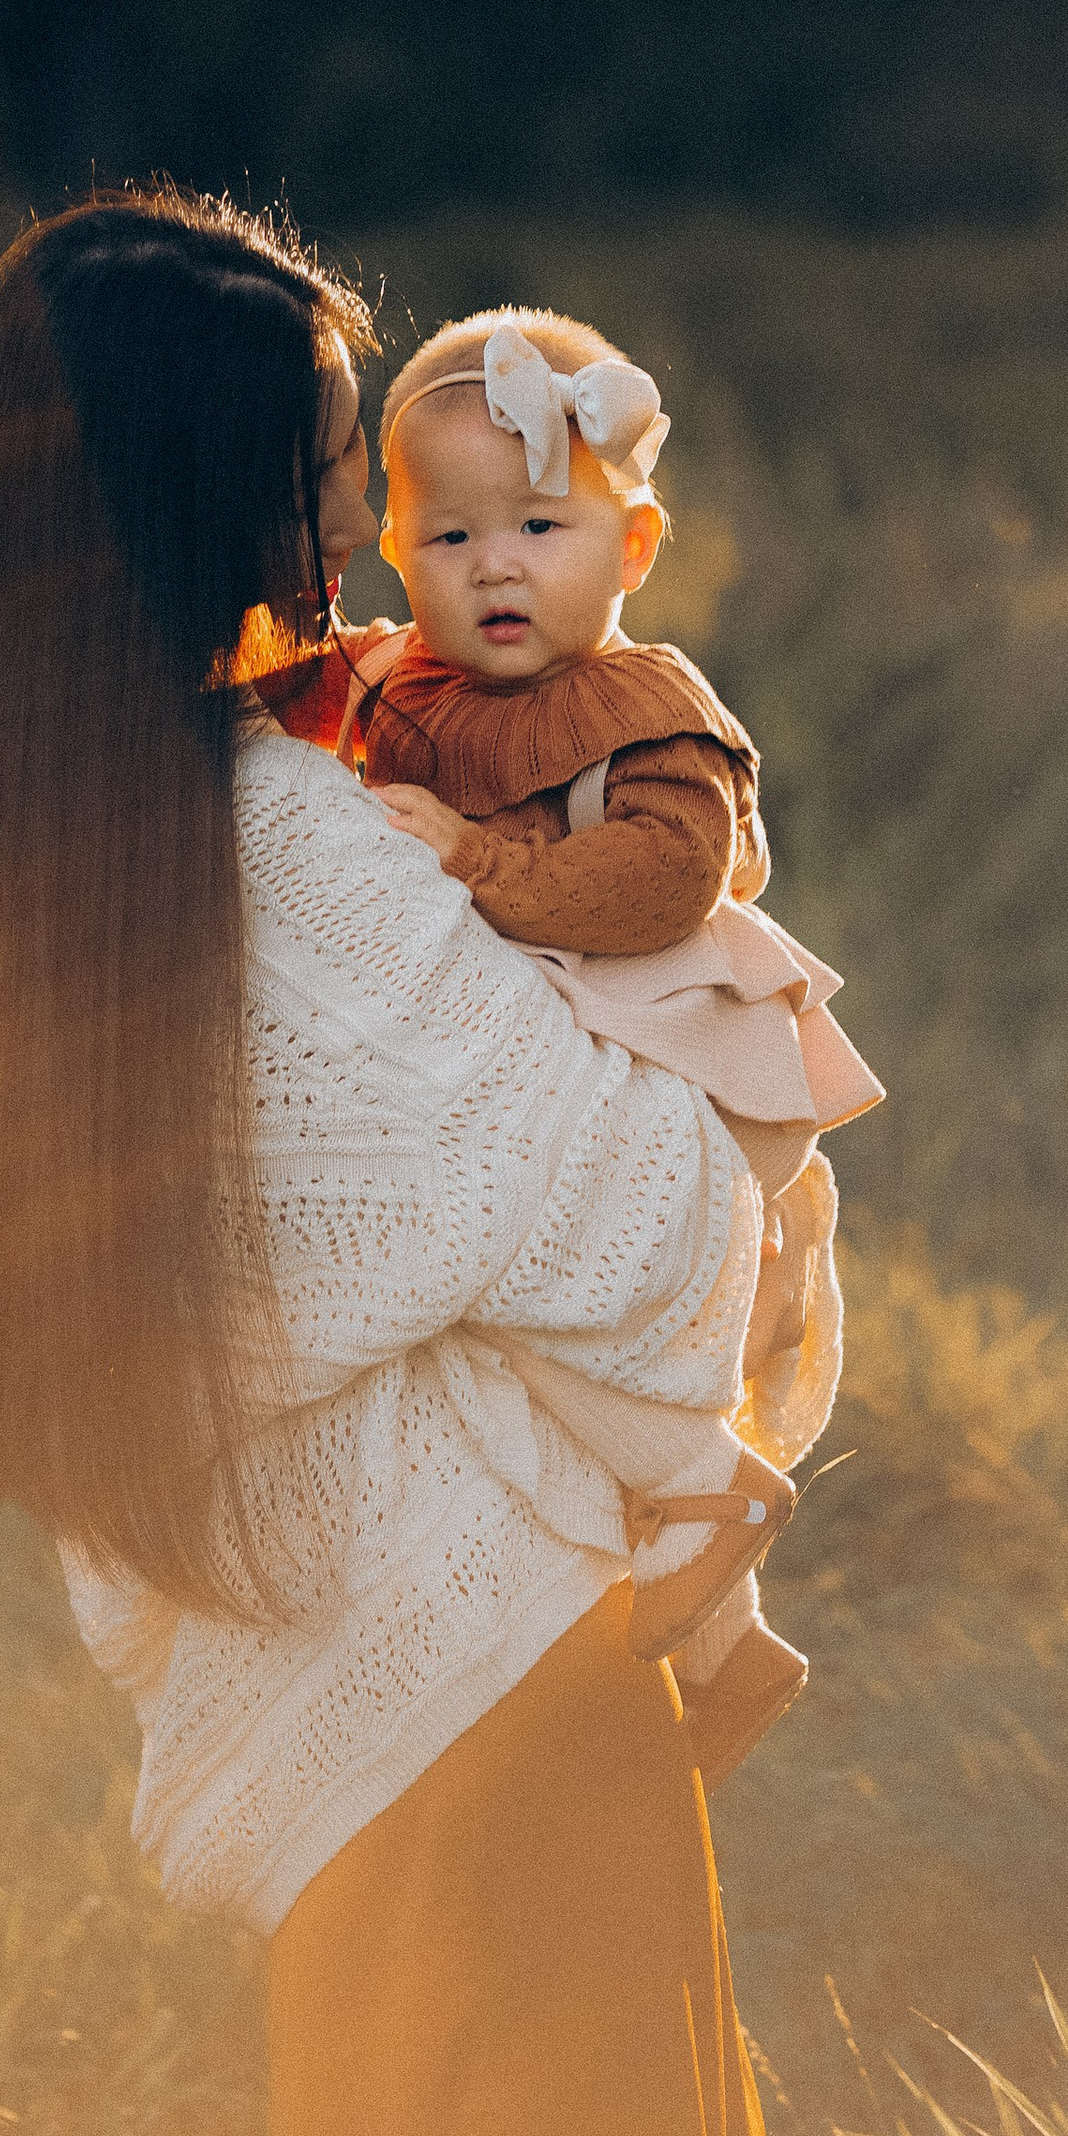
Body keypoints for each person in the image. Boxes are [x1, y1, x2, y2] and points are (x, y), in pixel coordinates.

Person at [0, 187, 772, 2136]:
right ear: (213, 512)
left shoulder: (18, 877)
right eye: (317, 486)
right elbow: (633, 1219)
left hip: (305, 1725)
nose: (362, 554)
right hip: (497, 1691)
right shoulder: (300, 854)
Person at [348, 308, 884, 1786]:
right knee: (539, 1335)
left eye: (542, 526)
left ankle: (707, 1490)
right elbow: (282, 714)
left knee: (557, 1294)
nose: (497, 566)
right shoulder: (401, 685)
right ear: (394, 549)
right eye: (451, 536)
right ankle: (724, 1649)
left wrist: (477, 860)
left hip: (674, 1059)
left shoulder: (645, 711)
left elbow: (664, 880)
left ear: (634, 547)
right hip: (553, 1064)